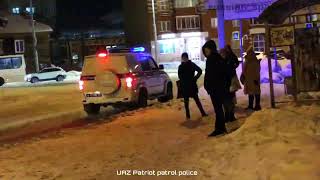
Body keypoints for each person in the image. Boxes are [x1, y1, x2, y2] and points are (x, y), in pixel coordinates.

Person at [202, 40, 232, 137]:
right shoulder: (219, 58)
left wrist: (208, 85)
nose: (206, 53)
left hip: (215, 88)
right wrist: (225, 85)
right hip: (219, 87)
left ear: (211, 49)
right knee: (219, 108)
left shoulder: (211, 59)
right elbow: (226, 73)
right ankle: (220, 127)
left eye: (207, 50)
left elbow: (210, 75)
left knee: (218, 109)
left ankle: (220, 129)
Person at [178, 52, 207, 120]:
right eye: (183, 58)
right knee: (186, 101)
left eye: (185, 57)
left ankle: (202, 113)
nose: (184, 59)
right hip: (186, 86)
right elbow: (179, 75)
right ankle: (188, 115)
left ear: (187, 58)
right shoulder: (181, 66)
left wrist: (195, 78)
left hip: (191, 85)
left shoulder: (191, 64)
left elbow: (199, 70)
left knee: (196, 99)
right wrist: (184, 80)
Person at [224, 45, 241, 122]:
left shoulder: (231, 55)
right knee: (229, 97)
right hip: (227, 79)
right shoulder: (225, 57)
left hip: (231, 77)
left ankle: (230, 115)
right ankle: (229, 115)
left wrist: (234, 66)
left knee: (231, 96)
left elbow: (236, 63)